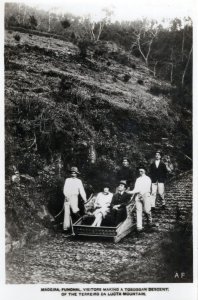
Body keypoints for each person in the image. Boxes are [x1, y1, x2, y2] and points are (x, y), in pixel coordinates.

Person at [127, 166, 153, 233]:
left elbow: (147, 188)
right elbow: (136, 189)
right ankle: (139, 227)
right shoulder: (138, 179)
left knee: (147, 211)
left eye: (142, 171)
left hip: (146, 195)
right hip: (138, 196)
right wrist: (129, 192)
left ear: (145, 171)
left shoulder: (148, 178)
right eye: (139, 171)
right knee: (138, 211)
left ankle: (149, 222)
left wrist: (142, 194)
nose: (140, 172)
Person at [63, 166, 87, 232]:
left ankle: (78, 225)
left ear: (77, 174)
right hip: (67, 197)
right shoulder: (67, 180)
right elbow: (65, 189)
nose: (73, 174)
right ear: (70, 173)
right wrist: (67, 196)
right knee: (67, 212)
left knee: (75, 210)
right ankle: (66, 227)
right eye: (72, 173)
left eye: (75, 173)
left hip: (74, 197)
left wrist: (85, 199)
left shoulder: (79, 181)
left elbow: (82, 190)